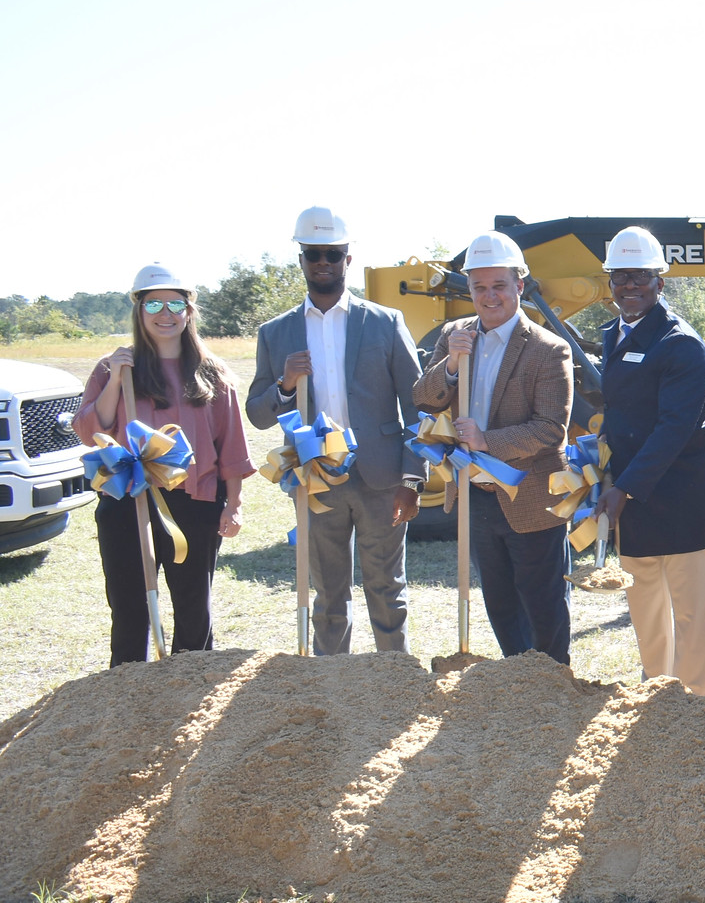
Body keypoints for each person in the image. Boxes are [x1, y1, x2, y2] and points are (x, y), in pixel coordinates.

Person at [247, 207, 424, 654]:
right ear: (302, 260)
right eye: (313, 254)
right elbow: (257, 413)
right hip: (316, 479)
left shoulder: (385, 323)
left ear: (348, 259)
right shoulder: (276, 332)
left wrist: (411, 478)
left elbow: (417, 403)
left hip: (381, 479)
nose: (322, 261)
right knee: (328, 594)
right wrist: (284, 386)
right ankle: (331, 687)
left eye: (333, 253)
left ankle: (393, 679)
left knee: (387, 588)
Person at [79, 264, 256, 665]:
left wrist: (235, 503)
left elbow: (231, 446)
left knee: (194, 607)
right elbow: (92, 431)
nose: (165, 313)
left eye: (176, 303)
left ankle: (189, 690)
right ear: (139, 310)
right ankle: (128, 689)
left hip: (195, 502)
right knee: (129, 607)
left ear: (189, 311)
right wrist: (114, 380)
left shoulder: (213, 372)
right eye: (153, 303)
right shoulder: (114, 367)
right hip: (127, 499)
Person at [414, 231, 574, 664]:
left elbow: (549, 430)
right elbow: (424, 399)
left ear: (519, 286)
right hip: (474, 494)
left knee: (543, 605)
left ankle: (553, 686)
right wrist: (449, 365)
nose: (489, 297)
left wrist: (487, 441)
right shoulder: (455, 335)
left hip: (531, 495)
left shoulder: (548, 349)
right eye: (479, 287)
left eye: (499, 286)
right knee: (500, 604)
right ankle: (514, 688)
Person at [591, 226, 705, 690]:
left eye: (639, 277)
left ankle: (698, 712)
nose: (629, 286)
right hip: (632, 501)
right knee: (646, 614)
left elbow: (674, 429)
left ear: (659, 283)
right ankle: (657, 704)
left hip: (681, 503)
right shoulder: (614, 335)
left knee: (692, 620)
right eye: (620, 277)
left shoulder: (681, 345)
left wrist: (623, 487)